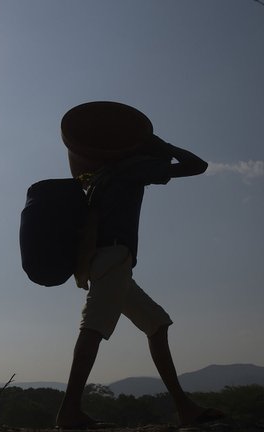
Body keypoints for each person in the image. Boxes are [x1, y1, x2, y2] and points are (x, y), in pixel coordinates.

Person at [55, 137, 224, 429]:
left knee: (156, 323)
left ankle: (185, 408)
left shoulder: (101, 176)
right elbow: (197, 166)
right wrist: (162, 144)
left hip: (108, 260)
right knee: (93, 328)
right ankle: (69, 411)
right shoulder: (133, 169)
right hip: (114, 257)